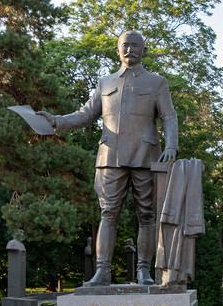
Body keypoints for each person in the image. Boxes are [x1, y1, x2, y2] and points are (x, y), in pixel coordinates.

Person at [39, 30, 177, 286]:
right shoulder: (105, 83)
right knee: (108, 213)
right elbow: (85, 114)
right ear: (118, 49)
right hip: (110, 155)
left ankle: (144, 270)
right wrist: (57, 121)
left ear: (143, 50)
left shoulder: (157, 82)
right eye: (125, 45)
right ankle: (102, 271)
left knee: (146, 215)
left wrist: (172, 145)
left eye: (135, 46)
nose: (130, 50)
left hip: (145, 155)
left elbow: (169, 116)